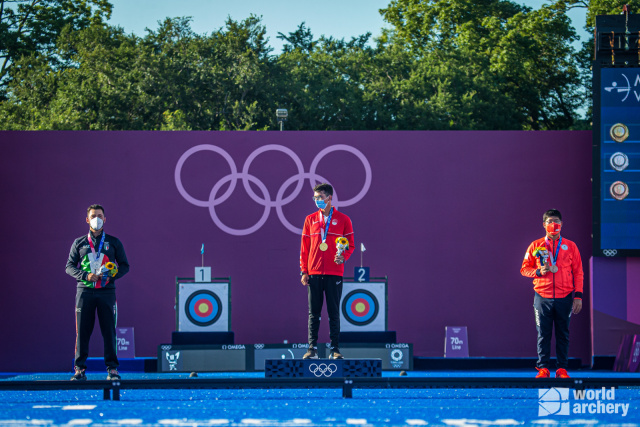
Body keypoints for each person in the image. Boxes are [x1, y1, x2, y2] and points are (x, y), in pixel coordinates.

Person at [65, 204, 130, 381]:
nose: (97, 219)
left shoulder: (114, 242)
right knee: (82, 331)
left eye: (100, 215)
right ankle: (79, 369)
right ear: (87, 219)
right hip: (84, 292)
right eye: (93, 216)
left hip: (106, 292)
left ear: (105, 219)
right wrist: (86, 275)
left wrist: (112, 276)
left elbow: (125, 266)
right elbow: (69, 267)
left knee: (109, 331)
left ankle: (112, 369)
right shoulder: (79, 243)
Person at [520, 209, 583, 379]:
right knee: (543, 334)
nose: (553, 224)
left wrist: (578, 296)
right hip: (542, 296)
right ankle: (543, 369)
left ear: (561, 224)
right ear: (544, 224)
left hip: (565, 297)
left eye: (556, 221)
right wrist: (539, 272)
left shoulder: (571, 246)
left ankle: (562, 369)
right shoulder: (536, 246)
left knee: (563, 334)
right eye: (549, 221)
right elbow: (524, 269)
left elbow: (578, 272)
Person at [300, 183, 355, 360]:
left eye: (320, 197)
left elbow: (350, 245)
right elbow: (304, 248)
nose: (317, 201)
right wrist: (304, 270)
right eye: (314, 198)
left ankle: (335, 349)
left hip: (334, 272)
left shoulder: (344, 219)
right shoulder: (310, 220)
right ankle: (311, 349)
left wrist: (343, 256)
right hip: (314, 272)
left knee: (333, 312)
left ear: (329, 198)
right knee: (313, 313)